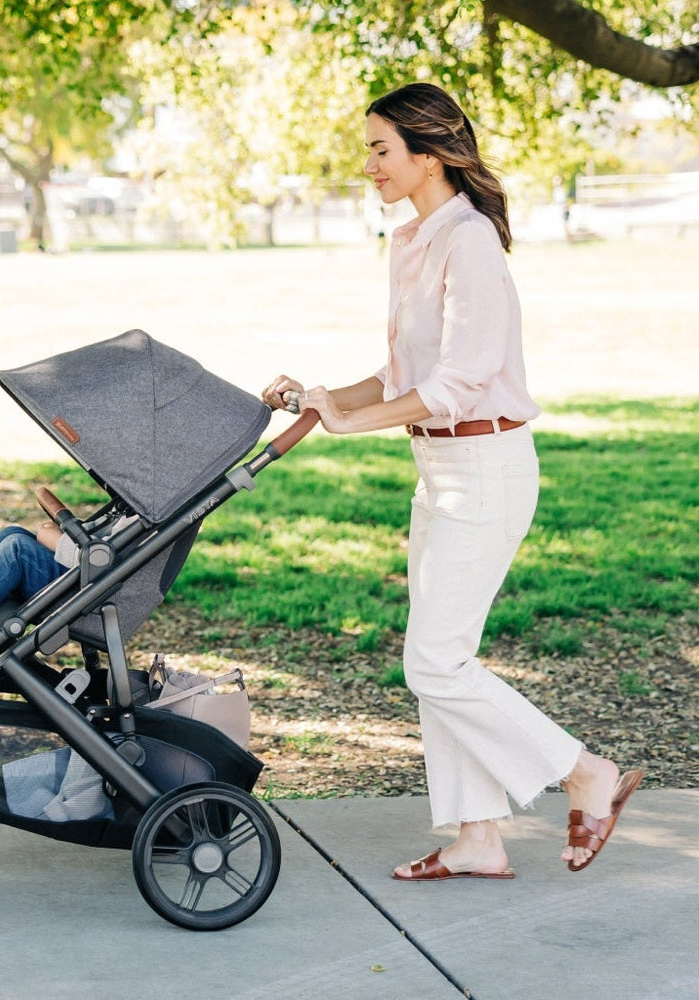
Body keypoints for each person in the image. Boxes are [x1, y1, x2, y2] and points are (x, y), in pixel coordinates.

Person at [262, 82, 642, 879]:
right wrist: (326, 397)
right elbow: (406, 371)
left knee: (433, 661)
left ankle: (587, 774)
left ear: (429, 156)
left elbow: (462, 381)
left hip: (486, 467)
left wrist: (353, 421)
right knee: (440, 655)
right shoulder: (413, 240)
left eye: (380, 149)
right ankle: (478, 837)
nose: (367, 164)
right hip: (439, 470)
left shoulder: (467, 242)